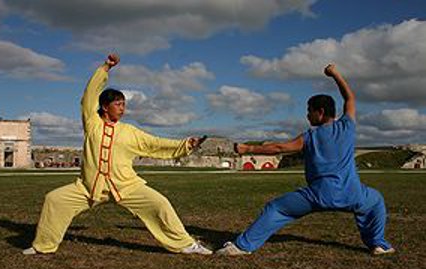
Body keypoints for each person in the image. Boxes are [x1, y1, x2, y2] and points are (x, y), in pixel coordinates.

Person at [23, 54, 212, 255]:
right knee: (55, 199)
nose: (123, 108)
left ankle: (185, 244)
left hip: (126, 186)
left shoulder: (129, 132)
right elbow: (89, 94)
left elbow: (155, 144)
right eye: (118, 104)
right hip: (89, 188)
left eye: (124, 104)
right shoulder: (92, 123)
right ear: (105, 106)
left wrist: (185, 145)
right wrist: (105, 68)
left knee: (160, 204)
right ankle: (43, 246)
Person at [217, 64, 395, 256]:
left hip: (319, 195)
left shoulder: (310, 137)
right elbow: (349, 97)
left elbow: (280, 148)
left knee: (276, 208)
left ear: (320, 112)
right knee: (375, 201)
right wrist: (335, 74)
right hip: (352, 193)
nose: (307, 115)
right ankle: (378, 245)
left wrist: (247, 149)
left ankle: (241, 247)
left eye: (309, 110)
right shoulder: (347, 127)